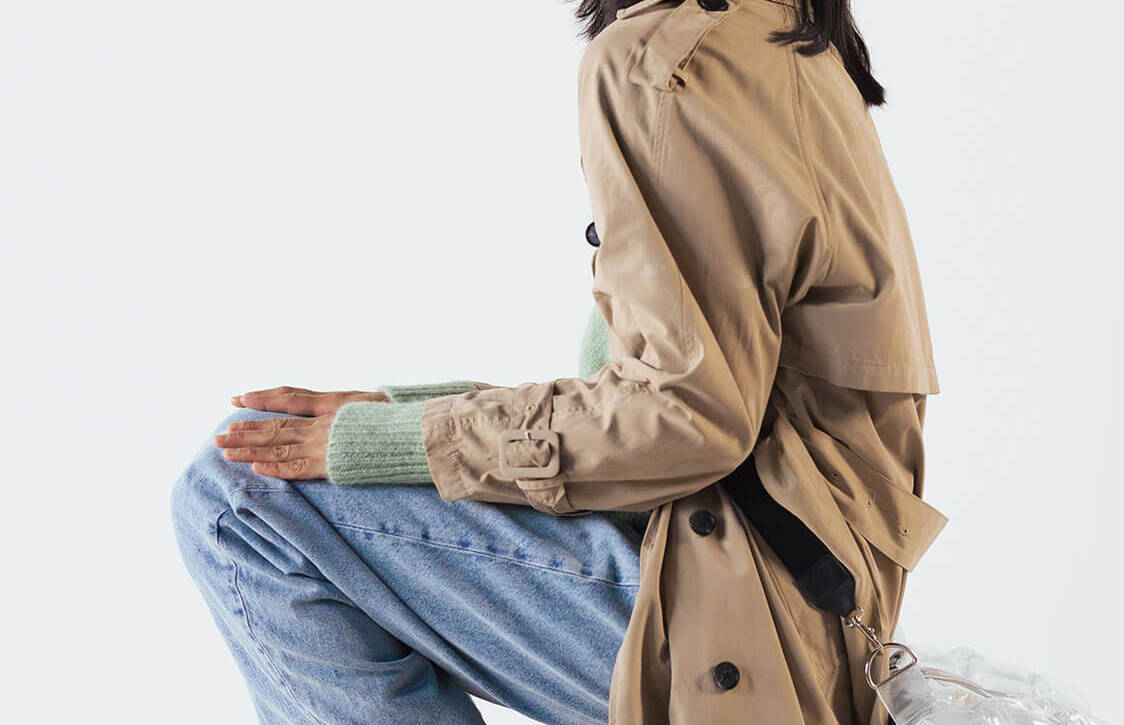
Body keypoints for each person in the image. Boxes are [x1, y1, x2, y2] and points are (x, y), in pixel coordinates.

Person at [171, 1, 947, 723]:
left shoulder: (659, 62)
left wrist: (415, 440)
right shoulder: (784, 35)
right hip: (816, 614)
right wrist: (412, 420)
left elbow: (687, 419)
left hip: (745, 621)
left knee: (237, 500)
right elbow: (684, 396)